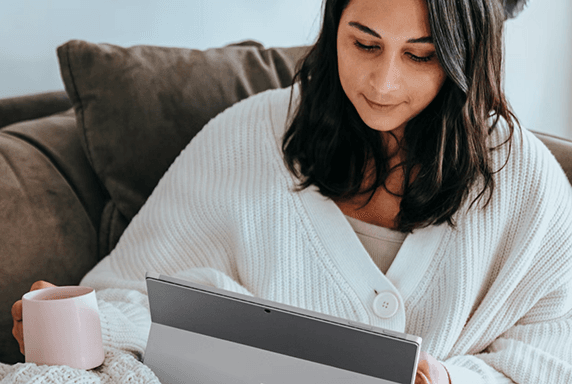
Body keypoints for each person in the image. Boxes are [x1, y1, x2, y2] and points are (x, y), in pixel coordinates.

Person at [9, 0, 572, 383]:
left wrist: (448, 378)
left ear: (464, 58)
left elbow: (553, 358)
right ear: (334, 32)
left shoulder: (525, 181)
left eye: (420, 55)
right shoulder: (248, 135)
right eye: (365, 44)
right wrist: (86, 320)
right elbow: (126, 294)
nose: (383, 83)